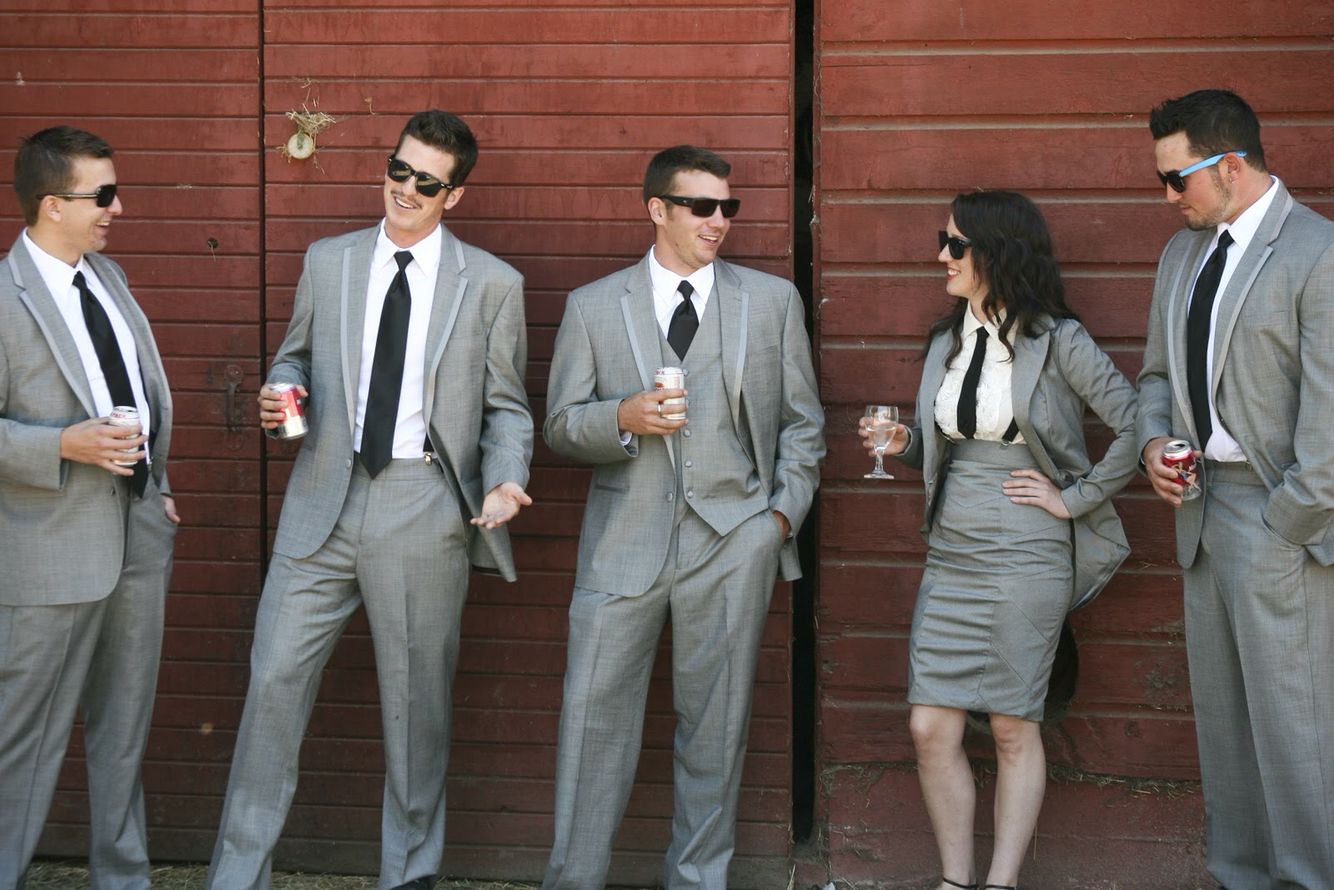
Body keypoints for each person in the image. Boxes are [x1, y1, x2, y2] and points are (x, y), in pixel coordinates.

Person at [206, 110, 533, 890]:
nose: (406, 190)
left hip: (423, 502)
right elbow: (296, 354)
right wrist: (285, 392)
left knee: (415, 715)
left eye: (427, 182)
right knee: (272, 688)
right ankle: (234, 878)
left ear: (454, 194)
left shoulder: (491, 283)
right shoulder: (330, 260)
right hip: (323, 491)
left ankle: (407, 878)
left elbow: (508, 407)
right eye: (399, 170)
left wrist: (506, 473)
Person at [541, 145, 824, 889]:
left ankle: (698, 881)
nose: (719, 221)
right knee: (590, 729)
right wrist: (623, 416)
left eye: (728, 207)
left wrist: (778, 523)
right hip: (621, 545)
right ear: (657, 209)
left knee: (716, 733)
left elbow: (804, 426)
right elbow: (562, 425)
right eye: (703, 206)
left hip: (734, 542)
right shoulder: (595, 307)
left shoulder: (771, 302)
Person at [863, 191, 1137, 890]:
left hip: (1028, 551)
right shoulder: (943, 340)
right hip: (952, 552)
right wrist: (903, 444)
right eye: (943, 242)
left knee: (1015, 725)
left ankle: (999, 883)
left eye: (955, 245)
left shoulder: (1056, 339)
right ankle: (955, 881)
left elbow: (1137, 423)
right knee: (930, 726)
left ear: (997, 253)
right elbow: (946, 442)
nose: (942, 257)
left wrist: (1073, 498)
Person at [1137, 89, 1334, 889]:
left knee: (1297, 731)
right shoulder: (1181, 254)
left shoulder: (1317, 251)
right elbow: (1155, 376)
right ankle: (1244, 877)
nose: (1167, 196)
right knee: (1225, 729)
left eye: (1176, 179)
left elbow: (1331, 419)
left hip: (1279, 516)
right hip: (1199, 512)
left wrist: (1290, 519)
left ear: (1228, 165)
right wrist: (1153, 443)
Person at [0, 125, 180, 889]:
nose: (117, 206)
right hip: (48, 547)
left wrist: (160, 488)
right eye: (101, 195)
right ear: (50, 205)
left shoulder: (109, 279)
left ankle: (124, 878)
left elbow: (137, 392)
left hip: (137, 528)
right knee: (23, 743)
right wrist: (59, 447)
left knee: (123, 732)